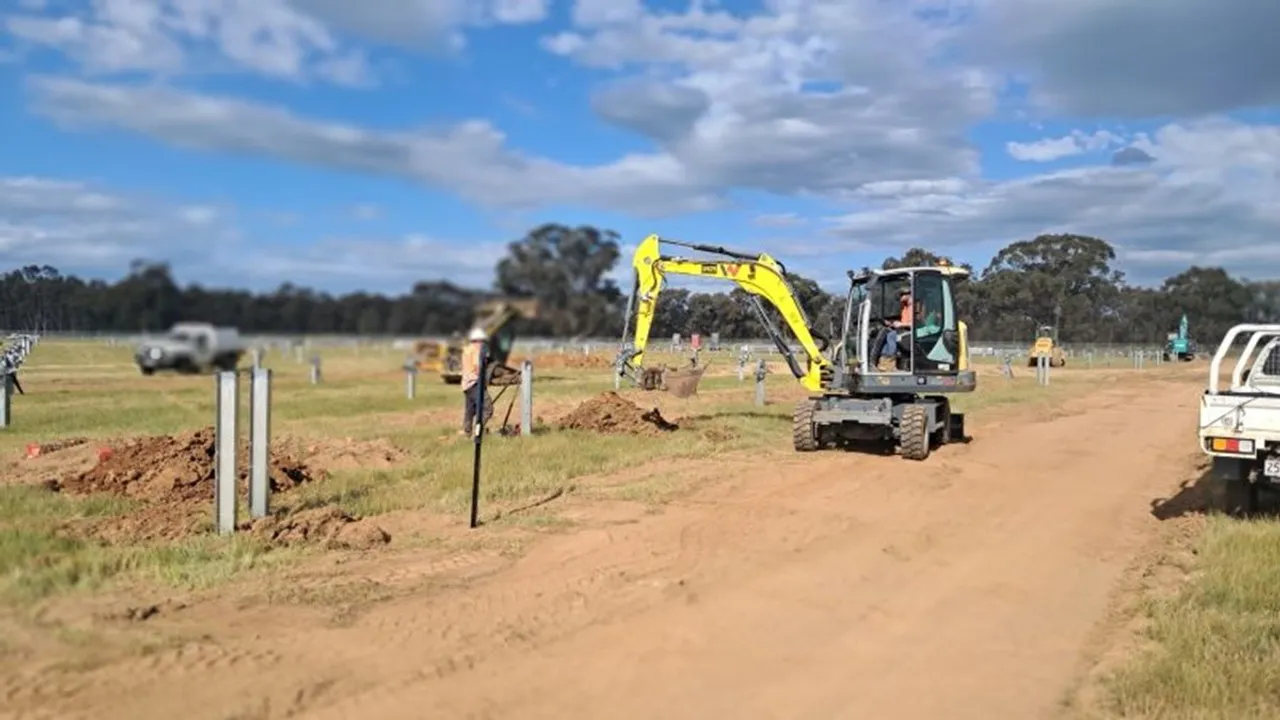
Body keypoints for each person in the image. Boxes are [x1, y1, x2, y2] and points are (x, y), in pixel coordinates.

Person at [460, 327, 489, 436]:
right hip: (475, 384)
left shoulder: (466, 350)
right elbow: (478, 368)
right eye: (482, 341)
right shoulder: (476, 351)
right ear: (478, 341)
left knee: (470, 410)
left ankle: (467, 432)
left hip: (466, 384)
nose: (483, 344)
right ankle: (478, 430)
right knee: (488, 408)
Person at [880, 287, 913, 363]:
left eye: (901, 295)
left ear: (908, 294)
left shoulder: (914, 307)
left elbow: (915, 324)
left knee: (891, 336)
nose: (899, 297)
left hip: (912, 332)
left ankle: (890, 359)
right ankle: (882, 358)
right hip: (905, 330)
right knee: (886, 333)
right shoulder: (905, 307)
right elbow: (905, 321)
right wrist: (891, 323)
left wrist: (901, 324)